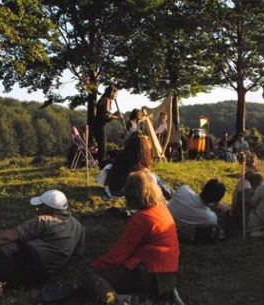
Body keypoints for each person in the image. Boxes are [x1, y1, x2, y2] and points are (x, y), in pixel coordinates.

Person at [84, 171, 179, 304]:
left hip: (148, 274)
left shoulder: (141, 219)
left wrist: (95, 265)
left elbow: (119, 254)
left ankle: (120, 301)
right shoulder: (161, 209)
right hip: (167, 275)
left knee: (92, 277)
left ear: (131, 193)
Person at [104, 135, 169, 198]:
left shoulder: (122, 155)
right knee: (152, 176)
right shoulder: (137, 161)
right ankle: (169, 193)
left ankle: (168, 193)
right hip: (122, 191)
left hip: (112, 190)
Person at [93, 85, 119, 164]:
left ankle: (101, 162)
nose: (116, 96)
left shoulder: (102, 99)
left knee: (101, 145)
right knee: (102, 146)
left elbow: (104, 115)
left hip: (97, 124)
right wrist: (116, 117)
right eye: (115, 94)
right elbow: (106, 116)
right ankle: (102, 164)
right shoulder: (107, 100)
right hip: (100, 126)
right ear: (112, 93)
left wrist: (114, 114)